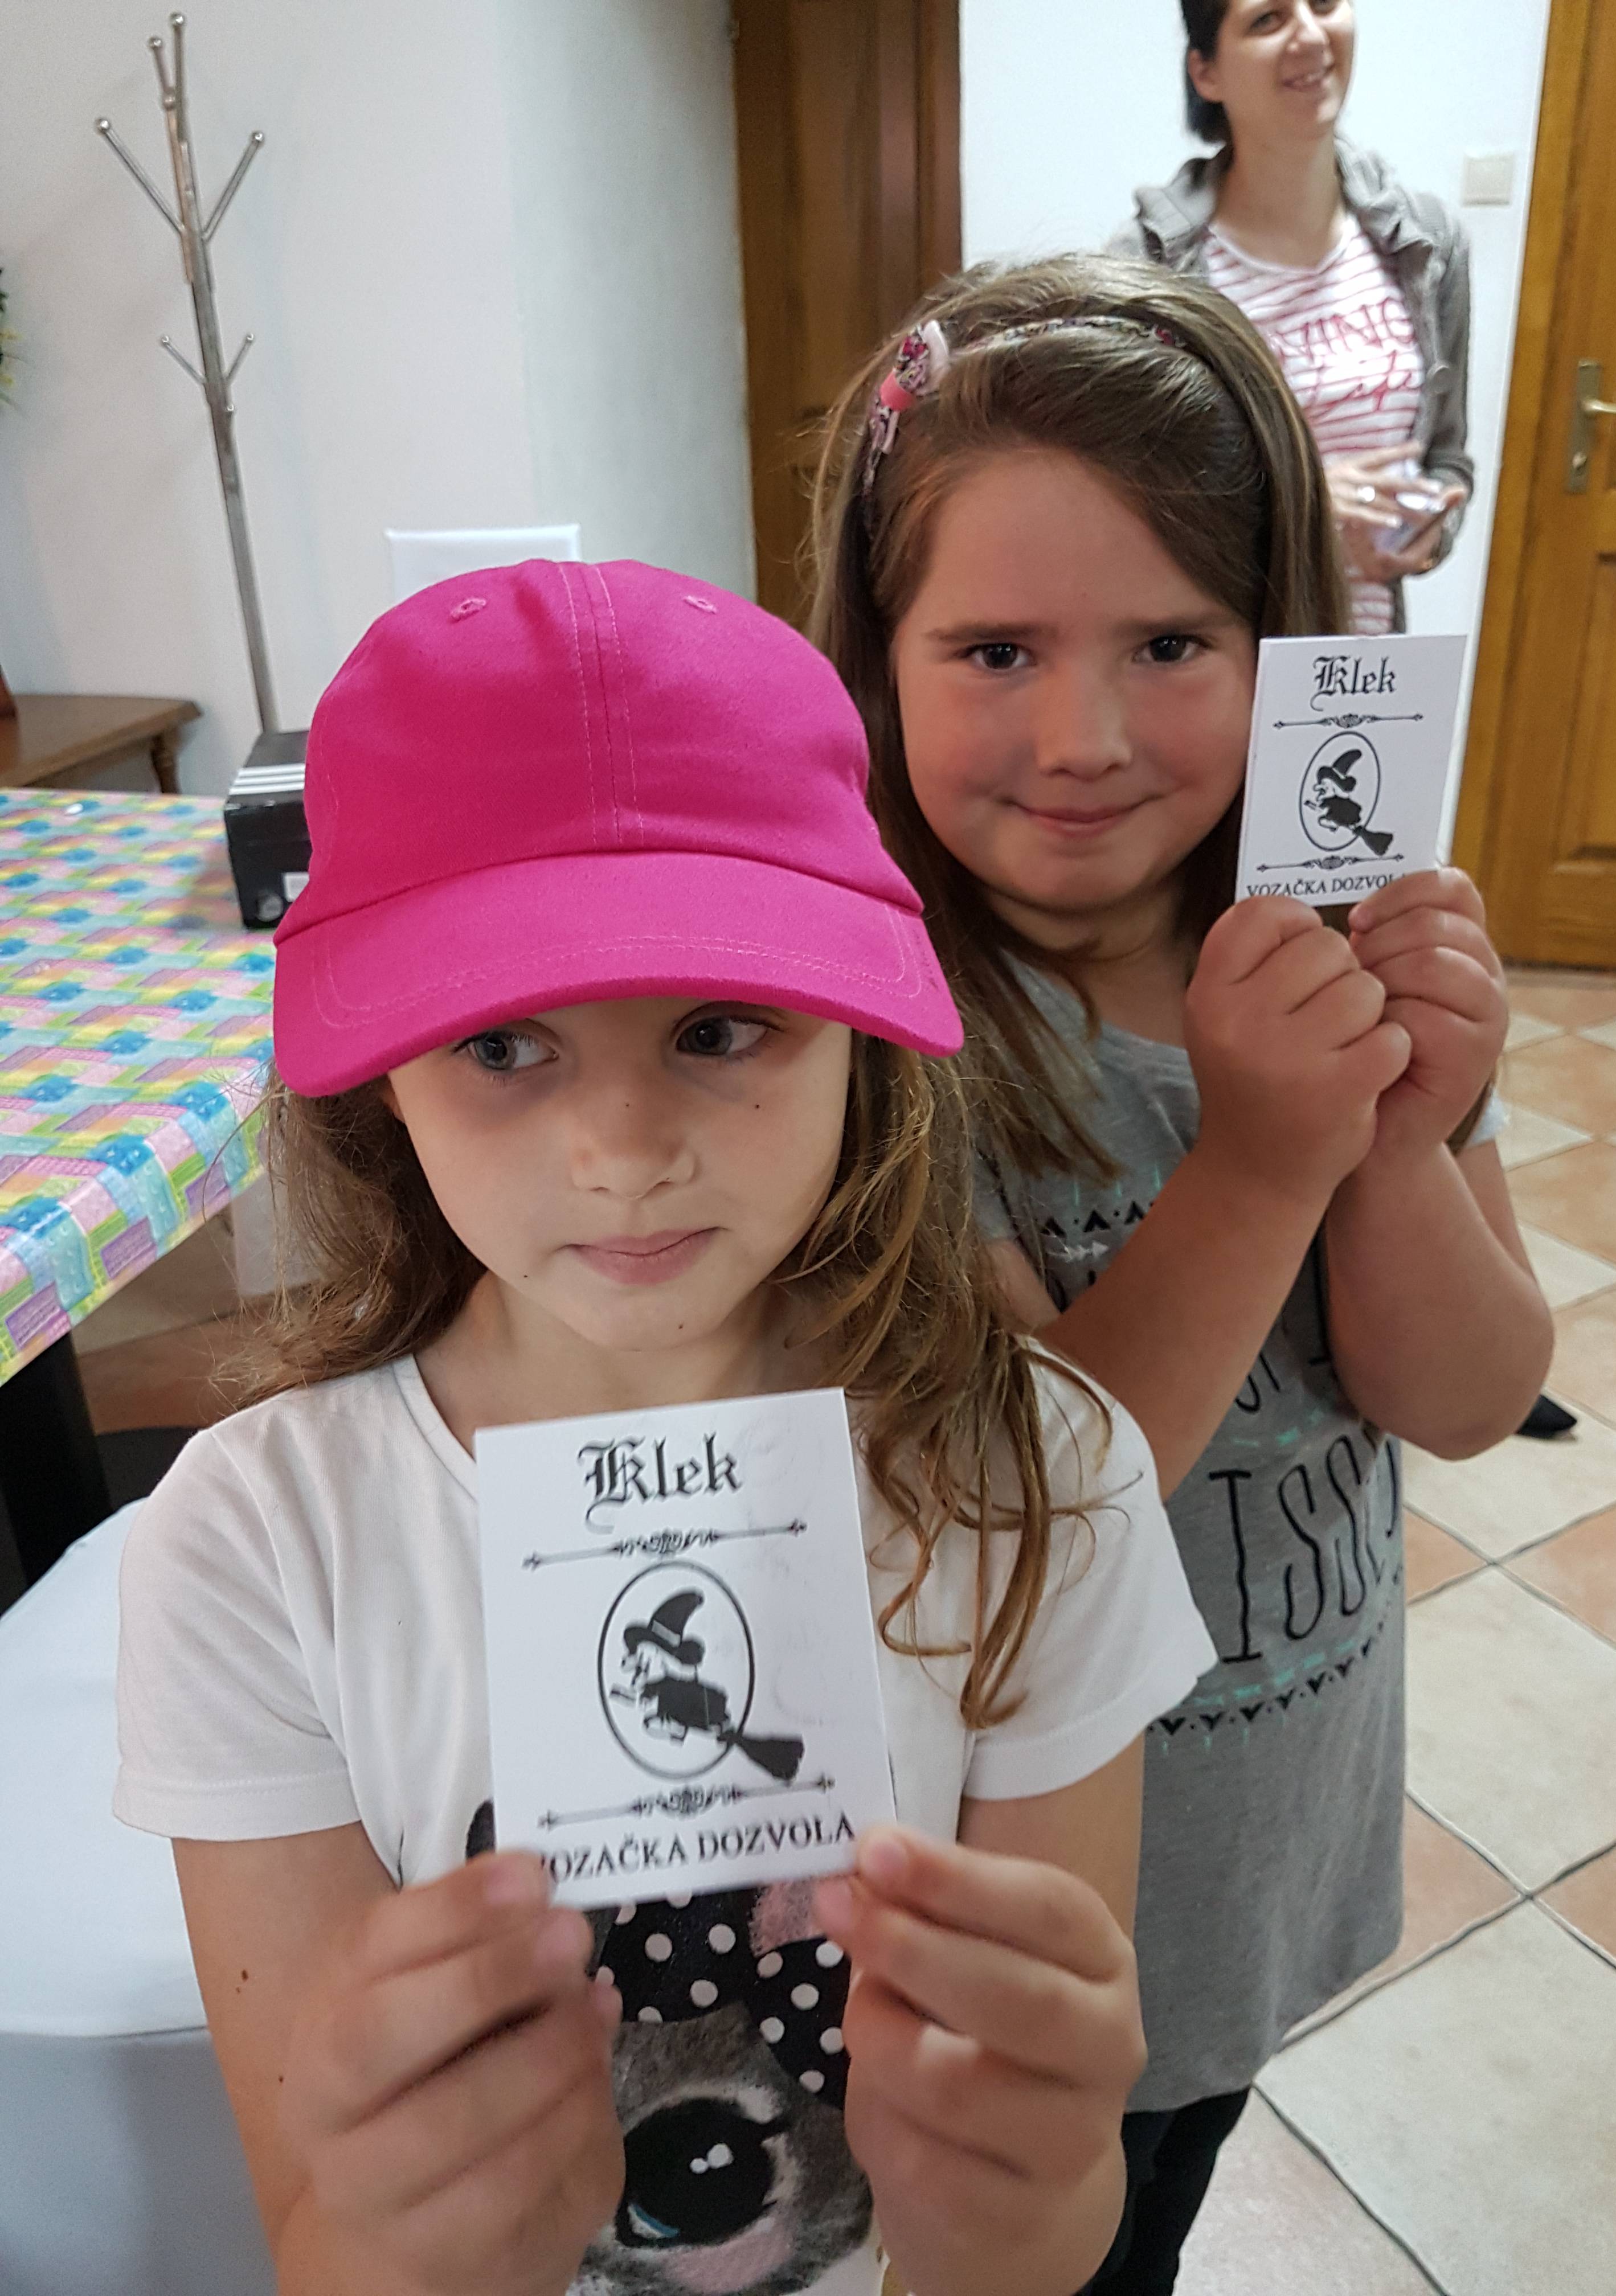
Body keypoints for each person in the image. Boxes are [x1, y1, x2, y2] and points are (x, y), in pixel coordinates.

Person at [113, 559, 1218, 2296]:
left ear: (858, 1041)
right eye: (503, 1044)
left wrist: (1030, 2182)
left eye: (719, 1026)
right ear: (385, 1076)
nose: (624, 1152)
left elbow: (1037, 2244)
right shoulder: (252, 1547)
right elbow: (323, 2249)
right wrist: (411, 2233)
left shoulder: (1045, 1480)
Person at [808, 257, 1553, 2290]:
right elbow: (1015, 1518)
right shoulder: (877, 1044)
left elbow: (1468, 1395)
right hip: (1029, 1921)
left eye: (1168, 643)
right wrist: (1259, 1160)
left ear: (1282, 651)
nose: (1082, 736)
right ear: (873, 664)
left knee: (1163, 2189)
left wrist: (1390, 1124)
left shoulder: (1346, 954)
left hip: (1255, 1847)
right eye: (991, 650)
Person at [1109, 0, 1471, 639]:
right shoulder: (1146, 269)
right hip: (1218, 663)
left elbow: (1447, 460)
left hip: (1365, 666)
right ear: (1206, 72)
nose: (1309, 33)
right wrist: (1299, 507)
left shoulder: (1427, 243)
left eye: (1324, 4)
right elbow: (1124, 503)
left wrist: (1429, 532)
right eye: (1268, 19)